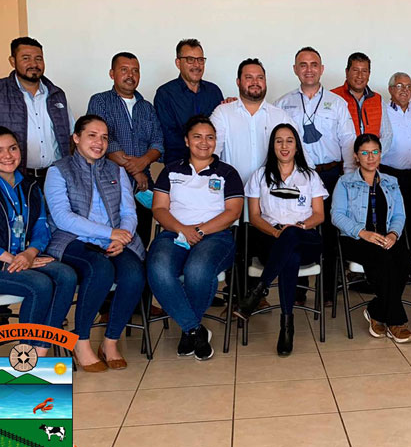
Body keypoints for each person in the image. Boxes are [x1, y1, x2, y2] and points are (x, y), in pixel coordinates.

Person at [0, 126, 77, 356]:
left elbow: (42, 228)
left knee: (66, 275)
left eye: (12, 148)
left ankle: (40, 350)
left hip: (19, 259)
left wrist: (29, 253)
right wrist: (10, 258)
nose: (7, 156)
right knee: (39, 284)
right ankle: (24, 355)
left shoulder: (30, 186)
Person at [44, 115, 146, 371]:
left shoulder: (117, 170)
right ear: (76, 138)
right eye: (92, 135)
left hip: (115, 240)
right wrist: (111, 232)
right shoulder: (58, 170)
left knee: (134, 274)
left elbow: (129, 212)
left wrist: (123, 235)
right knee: (100, 269)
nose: (99, 142)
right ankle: (81, 341)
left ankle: (110, 342)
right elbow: (63, 218)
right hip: (72, 240)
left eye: (104, 138)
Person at [148, 116, 243, 360]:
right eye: (197, 137)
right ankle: (194, 329)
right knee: (157, 267)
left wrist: (199, 231)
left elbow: (233, 212)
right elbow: (159, 209)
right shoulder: (171, 170)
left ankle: (188, 330)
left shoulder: (227, 172)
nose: (204, 142)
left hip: (215, 236)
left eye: (210, 137)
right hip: (174, 233)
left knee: (197, 269)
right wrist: (183, 229)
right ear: (187, 141)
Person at [234, 123, 327, 355]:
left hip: (306, 237)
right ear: (272, 146)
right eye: (279, 141)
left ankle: (258, 290)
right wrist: (277, 233)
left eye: (289, 141)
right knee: (290, 255)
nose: (284, 146)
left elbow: (319, 215)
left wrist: (298, 227)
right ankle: (287, 325)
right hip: (270, 238)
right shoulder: (259, 176)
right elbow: (254, 217)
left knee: (292, 236)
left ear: (297, 146)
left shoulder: (310, 176)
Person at [276, 47, 356, 305]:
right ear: (295, 69)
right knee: (299, 228)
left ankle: (328, 290)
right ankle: (298, 290)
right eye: (303, 64)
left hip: (331, 174)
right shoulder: (283, 103)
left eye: (313, 64)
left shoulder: (337, 103)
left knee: (331, 233)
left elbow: (348, 141)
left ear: (322, 69)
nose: (308, 69)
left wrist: (348, 178)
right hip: (297, 176)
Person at [332, 133, 411, 343]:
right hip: (355, 239)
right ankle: (396, 322)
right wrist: (363, 233)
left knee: (405, 258)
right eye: (365, 153)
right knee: (383, 260)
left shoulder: (391, 182)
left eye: (375, 152)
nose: (371, 157)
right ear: (356, 156)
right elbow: (337, 216)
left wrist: (393, 234)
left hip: (385, 237)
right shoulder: (345, 182)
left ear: (381, 154)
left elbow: (399, 215)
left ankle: (376, 310)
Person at [0, 37, 75, 183]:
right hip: (12, 178)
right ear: (12, 61)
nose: (34, 64)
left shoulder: (57, 94)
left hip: (54, 177)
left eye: (38, 58)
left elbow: (70, 137)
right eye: (26, 58)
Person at [87, 51, 164, 248]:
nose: (130, 75)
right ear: (112, 74)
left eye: (135, 71)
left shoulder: (146, 107)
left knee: (141, 239)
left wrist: (142, 164)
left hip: (143, 185)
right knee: (111, 239)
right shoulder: (100, 101)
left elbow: (158, 143)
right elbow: (104, 141)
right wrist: (136, 171)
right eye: (124, 70)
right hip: (109, 182)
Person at [211, 58, 291, 186]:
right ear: (238, 82)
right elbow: (211, 152)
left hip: (270, 192)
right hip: (231, 191)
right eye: (249, 77)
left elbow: (296, 154)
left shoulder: (280, 116)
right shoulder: (223, 113)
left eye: (260, 78)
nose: (255, 82)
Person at [154, 39, 224, 165]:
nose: (196, 65)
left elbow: (219, 130)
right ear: (178, 63)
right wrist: (198, 155)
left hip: (210, 165)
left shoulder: (214, 91)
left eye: (200, 60)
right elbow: (168, 137)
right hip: (178, 165)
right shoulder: (165, 94)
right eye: (190, 60)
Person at [382, 72, 411, 244]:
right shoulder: (382, 110)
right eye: (399, 86)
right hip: (389, 173)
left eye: (408, 87)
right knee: (391, 215)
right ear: (390, 89)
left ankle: (410, 253)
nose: (404, 90)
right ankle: (391, 250)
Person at [331, 52, 392, 148]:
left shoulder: (378, 99)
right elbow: (328, 136)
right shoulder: (333, 97)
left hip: (373, 157)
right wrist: (350, 156)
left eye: (364, 71)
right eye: (355, 70)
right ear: (347, 72)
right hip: (342, 157)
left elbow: (387, 135)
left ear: (369, 74)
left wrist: (372, 155)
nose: (360, 76)